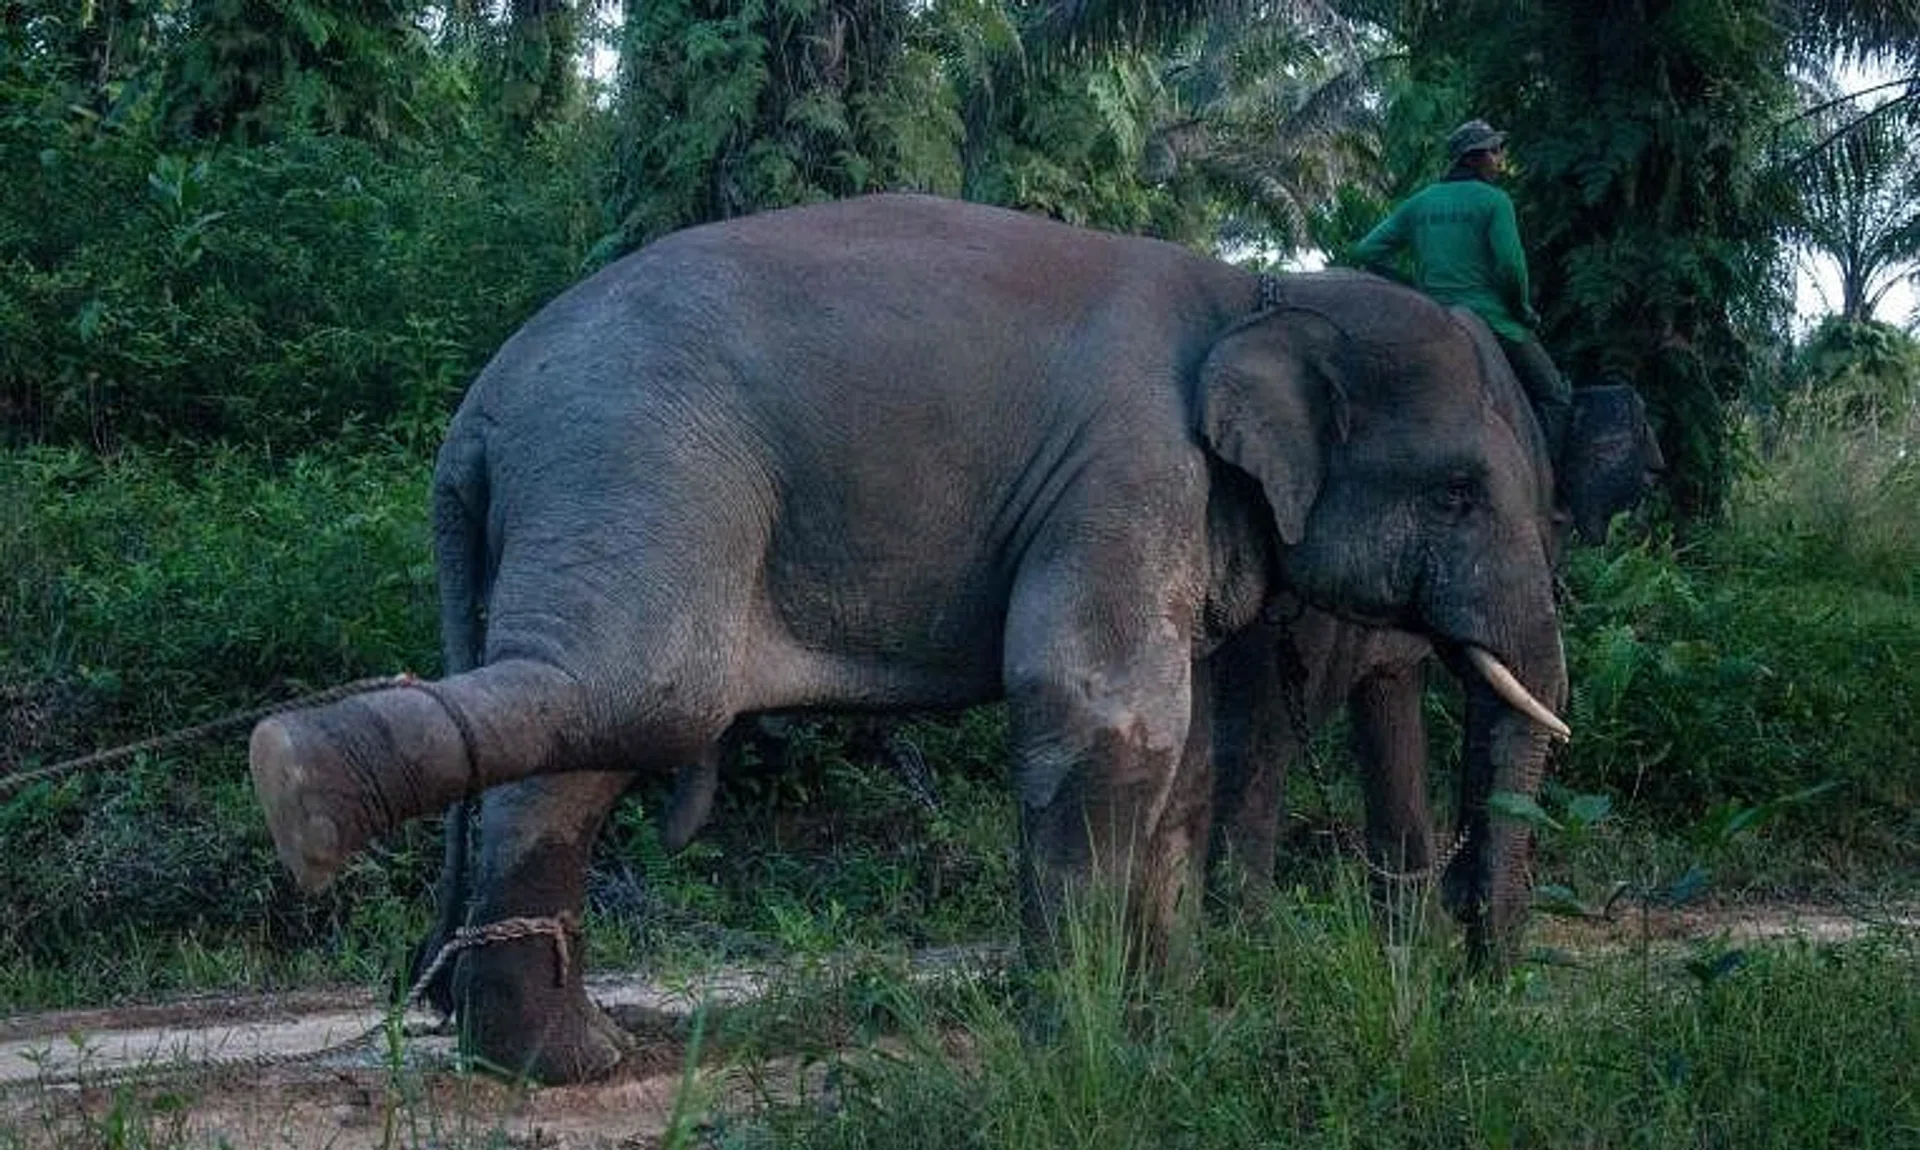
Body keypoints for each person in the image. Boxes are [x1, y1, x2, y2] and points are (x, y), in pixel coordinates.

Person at [1350, 119, 1571, 465]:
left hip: (1432, 318)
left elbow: (1364, 252)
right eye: (1494, 151)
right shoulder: (1495, 201)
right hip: (1495, 322)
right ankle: (1555, 488)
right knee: (1554, 397)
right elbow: (1511, 267)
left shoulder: (1420, 202)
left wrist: (1411, 288)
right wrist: (1522, 310)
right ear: (1472, 158)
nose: (1500, 158)